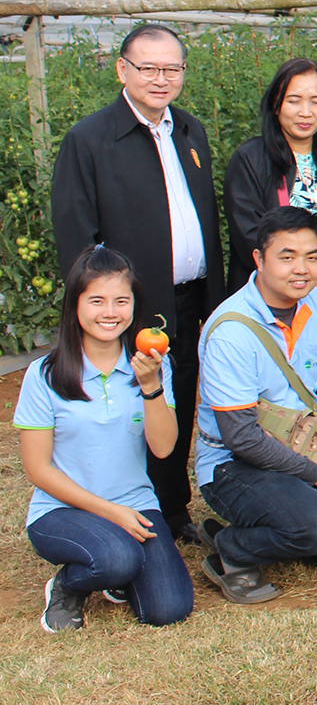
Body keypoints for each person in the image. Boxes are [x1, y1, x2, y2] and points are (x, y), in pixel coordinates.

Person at [50, 22, 226, 540]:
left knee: (178, 398)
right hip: (129, 306)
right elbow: (76, 235)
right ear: (122, 70)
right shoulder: (90, 139)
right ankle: (123, 507)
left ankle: (172, 508)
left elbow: (204, 217)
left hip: (188, 298)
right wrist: (101, 309)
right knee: (128, 405)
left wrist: (213, 301)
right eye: (148, 67)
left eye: (172, 68)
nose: (160, 78)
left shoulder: (189, 131)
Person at [194, 207, 317, 604]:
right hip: (233, 465)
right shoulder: (230, 331)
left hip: (303, 447)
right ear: (259, 259)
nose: (301, 269)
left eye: (312, 256)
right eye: (286, 257)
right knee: (315, 527)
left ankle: (279, 524)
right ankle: (231, 549)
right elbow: (241, 437)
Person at [14, 246, 193, 631]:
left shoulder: (151, 364)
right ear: (75, 304)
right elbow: (37, 469)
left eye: (121, 301)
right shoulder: (44, 375)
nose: (110, 312)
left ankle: (117, 576)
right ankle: (68, 585)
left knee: (169, 609)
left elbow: (163, 448)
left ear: (134, 305)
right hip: (62, 510)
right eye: (97, 300)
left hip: (135, 505)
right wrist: (110, 512)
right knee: (117, 558)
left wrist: (150, 386)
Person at [223, 56, 317, 301]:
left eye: (316, 101)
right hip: (271, 298)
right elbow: (249, 234)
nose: (306, 112)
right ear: (276, 104)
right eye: (293, 101)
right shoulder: (250, 159)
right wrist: (311, 279)